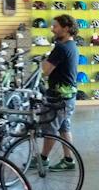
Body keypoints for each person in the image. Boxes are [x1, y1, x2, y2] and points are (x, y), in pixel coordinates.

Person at [34, 14, 80, 171]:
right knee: (64, 128)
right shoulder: (72, 45)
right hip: (68, 96)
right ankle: (69, 160)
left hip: (58, 97)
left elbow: (45, 70)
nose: (52, 29)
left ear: (66, 28)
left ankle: (43, 159)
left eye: (55, 26)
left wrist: (42, 61)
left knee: (50, 129)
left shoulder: (61, 48)